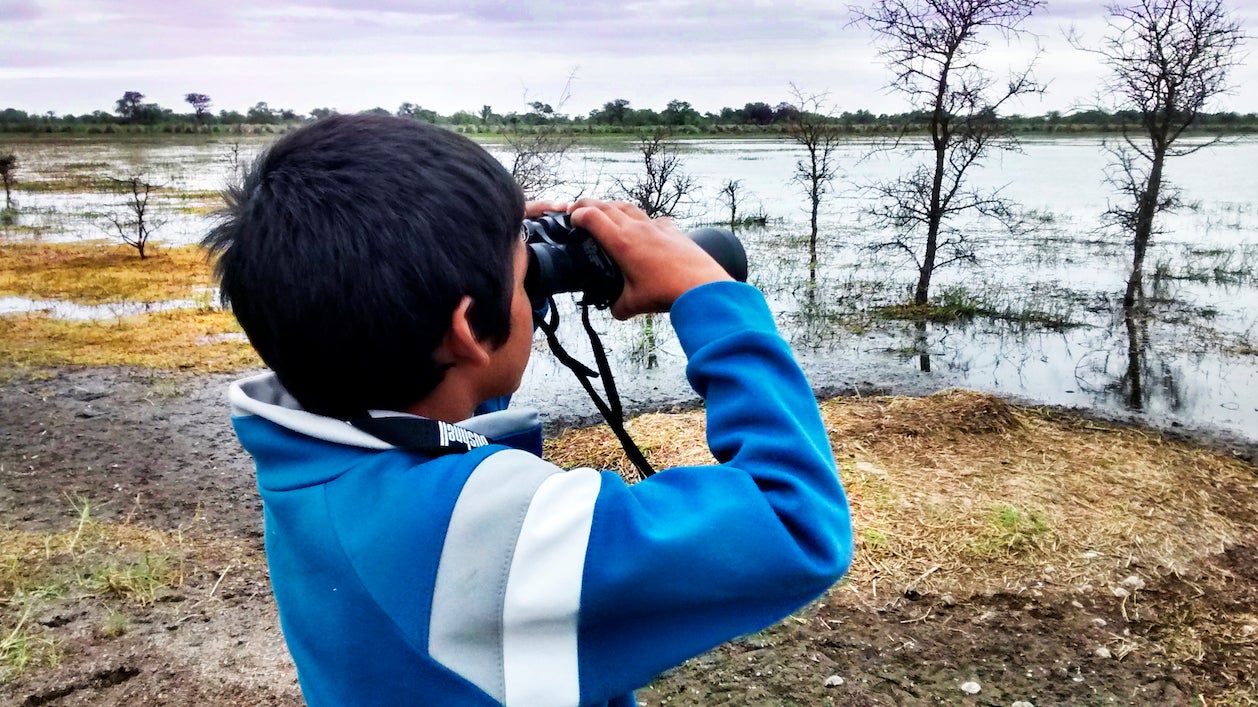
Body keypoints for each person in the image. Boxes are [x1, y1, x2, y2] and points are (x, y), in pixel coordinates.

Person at [205, 113, 853, 707]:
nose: (529, 288)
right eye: (525, 278)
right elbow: (793, 522)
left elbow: (446, 391)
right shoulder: (473, 535)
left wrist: (504, 276)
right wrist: (709, 296)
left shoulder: (312, 453)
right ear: (465, 331)